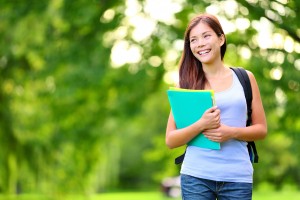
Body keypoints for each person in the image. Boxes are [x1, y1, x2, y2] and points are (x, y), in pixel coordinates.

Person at [165, 13, 267, 200]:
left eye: (206, 36)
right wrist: (201, 124)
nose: (200, 43)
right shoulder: (187, 85)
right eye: (193, 40)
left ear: (221, 39)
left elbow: (261, 130)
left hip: (237, 177)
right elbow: (171, 140)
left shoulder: (245, 78)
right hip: (196, 177)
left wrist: (231, 132)